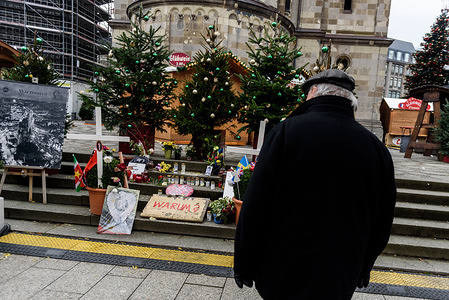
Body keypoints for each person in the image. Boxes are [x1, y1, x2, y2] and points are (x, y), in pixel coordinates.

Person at [234, 69, 397, 300]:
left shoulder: (285, 133)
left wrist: (244, 262)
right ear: (349, 100)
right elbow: (383, 218)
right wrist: (364, 265)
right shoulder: (375, 148)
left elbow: (256, 204)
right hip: (341, 269)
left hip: (283, 265)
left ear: (312, 93)